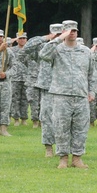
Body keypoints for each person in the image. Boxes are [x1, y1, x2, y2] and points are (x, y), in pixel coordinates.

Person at [39, 20, 96, 169]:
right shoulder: (56, 50)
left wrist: (92, 92)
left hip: (81, 95)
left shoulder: (86, 51)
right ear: (64, 32)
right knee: (61, 128)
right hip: (61, 95)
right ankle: (63, 158)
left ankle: (77, 158)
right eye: (69, 31)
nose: (72, 33)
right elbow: (43, 54)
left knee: (81, 128)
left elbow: (92, 74)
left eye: (75, 31)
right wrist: (58, 38)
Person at [24, 23, 63, 156]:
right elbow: (27, 47)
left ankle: (63, 148)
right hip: (47, 87)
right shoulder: (42, 47)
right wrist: (46, 38)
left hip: (64, 88)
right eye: (55, 33)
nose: (57, 36)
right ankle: (48, 147)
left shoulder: (66, 47)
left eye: (60, 33)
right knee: (46, 118)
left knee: (63, 119)